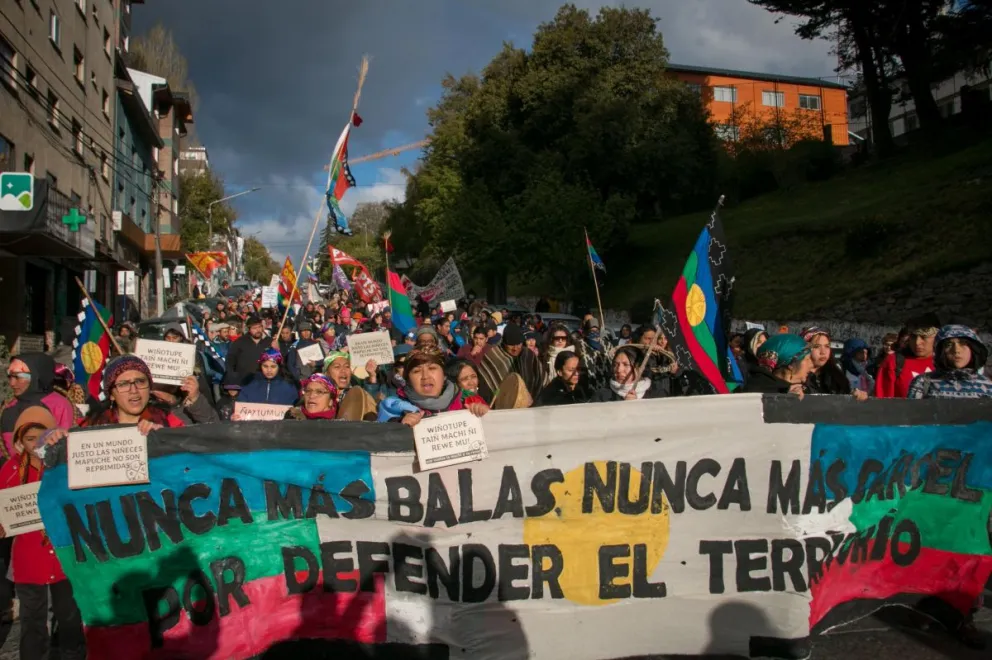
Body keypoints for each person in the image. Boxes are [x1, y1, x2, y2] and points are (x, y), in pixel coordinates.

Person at [1, 408, 86, 660]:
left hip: (64, 558)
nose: (37, 444)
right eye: (30, 439)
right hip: (28, 561)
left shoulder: (66, 466)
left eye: (43, 436)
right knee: (32, 624)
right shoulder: (10, 471)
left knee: (70, 618)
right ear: (19, 441)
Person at [379, 349, 489, 426]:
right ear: (408, 380)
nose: (425, 376)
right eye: (416, 371)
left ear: (444, 374)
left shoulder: (466, 402)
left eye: (432, 368)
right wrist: (399, 425)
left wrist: (485, 415)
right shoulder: (394, 407)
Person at [1, 354, 76, 459]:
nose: (12, 383)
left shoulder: (59, 405)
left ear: (37, 375)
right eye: (10, 376)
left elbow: (67, 446)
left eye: (18, 377)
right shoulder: (8, 407)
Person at [907, 325, 992, 400]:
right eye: (949, 345)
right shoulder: (923, 383)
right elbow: (911, 416)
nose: (956, 350)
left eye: (963, 343)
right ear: (940, 351)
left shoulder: (987, 386)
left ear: (973, 349)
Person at [477, 324, 546, 402]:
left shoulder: (528, 355)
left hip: (532, 405)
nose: (515, 348)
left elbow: (540, 378)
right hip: (503, 408)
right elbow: (488, 386)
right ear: (504, 342)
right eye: (511, 345)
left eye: (518, 344)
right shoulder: (493, 356)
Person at [740, 334, 812, 396]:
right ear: (791, 364)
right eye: (807, 359)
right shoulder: (758, 392)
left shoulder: (804, 389)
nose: (811, 365)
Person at [225, 314, 271, 385]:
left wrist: (277, 348)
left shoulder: (269, 342)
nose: (258, 330)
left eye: (259, 327)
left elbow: (278, 360)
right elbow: (230, 361)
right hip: (244, 382)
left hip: (264, 381)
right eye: (254, 328)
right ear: (249, 329)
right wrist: (233, 377)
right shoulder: (239, 342)